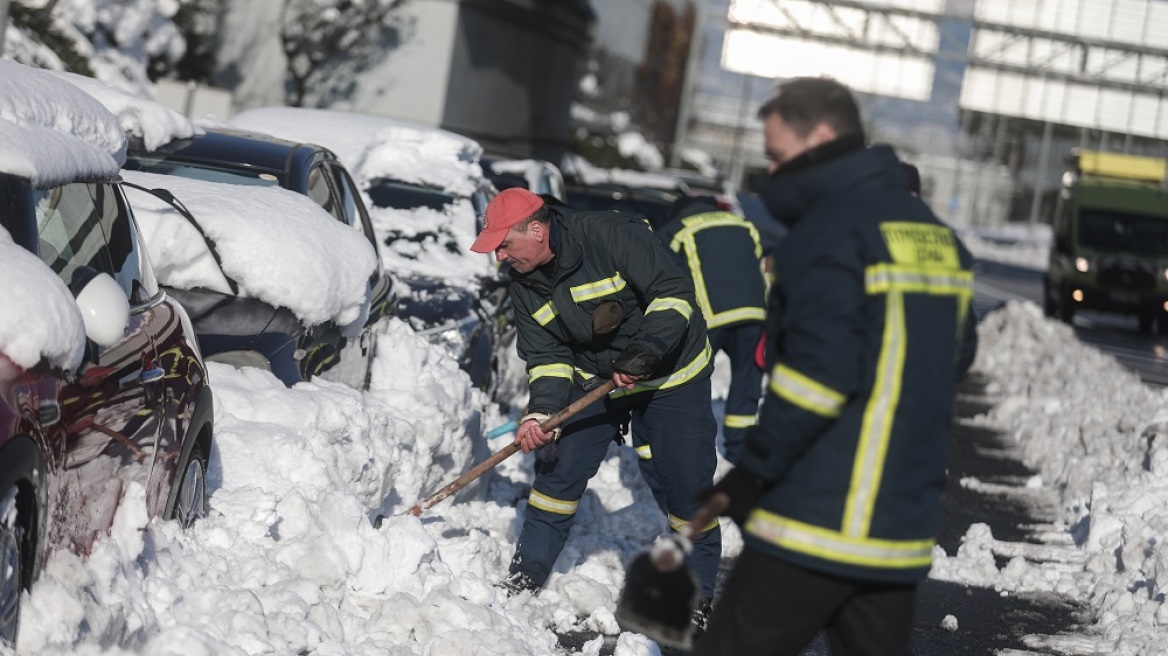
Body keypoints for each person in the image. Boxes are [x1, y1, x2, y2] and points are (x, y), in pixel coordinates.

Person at [693, 77, 978, 656]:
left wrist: (753, 475)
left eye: (777, 155)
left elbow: (814, 381)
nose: (772, 172)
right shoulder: (940, 241)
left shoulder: (828, 233)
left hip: (817, 518)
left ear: (821, 138)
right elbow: (956, 356)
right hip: (897, 530)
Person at [470, 187, 721, 629]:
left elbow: (674, 295)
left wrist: (645, 352)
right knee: (558, 473)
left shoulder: (610, 234)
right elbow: (547, 356)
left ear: (537, 229)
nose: (501, 256)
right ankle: (525, 576)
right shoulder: (523, 283)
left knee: (687, 486)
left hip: (671, 375)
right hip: (596, 380)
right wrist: (542, 413)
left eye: (505, 244)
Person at [656, 195, 767, 464]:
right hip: (753, 313)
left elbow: (664, 277)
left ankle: (684, 446)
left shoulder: (676, 230)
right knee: (747, 381)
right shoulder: (744, 225)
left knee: (687, 382)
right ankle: (739, 449)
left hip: (710, 318)